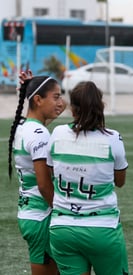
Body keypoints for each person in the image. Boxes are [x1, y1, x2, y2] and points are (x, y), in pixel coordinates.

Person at [46, 81, 129, 275]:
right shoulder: (113, 138)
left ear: (73, 109)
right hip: (102, 227)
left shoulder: (57, 133)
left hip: (62, 227)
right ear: (100, 107)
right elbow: (120, 181)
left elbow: (52, 172)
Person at [8, 73, 65, 275]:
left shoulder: (25, 127)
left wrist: (30, 88)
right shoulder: (39, 133)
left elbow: (57, 109)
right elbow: (44, 184)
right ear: (39, 100)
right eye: (56, 97)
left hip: (29, 212)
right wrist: (63, 213)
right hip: (42, 215)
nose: (61, 102)